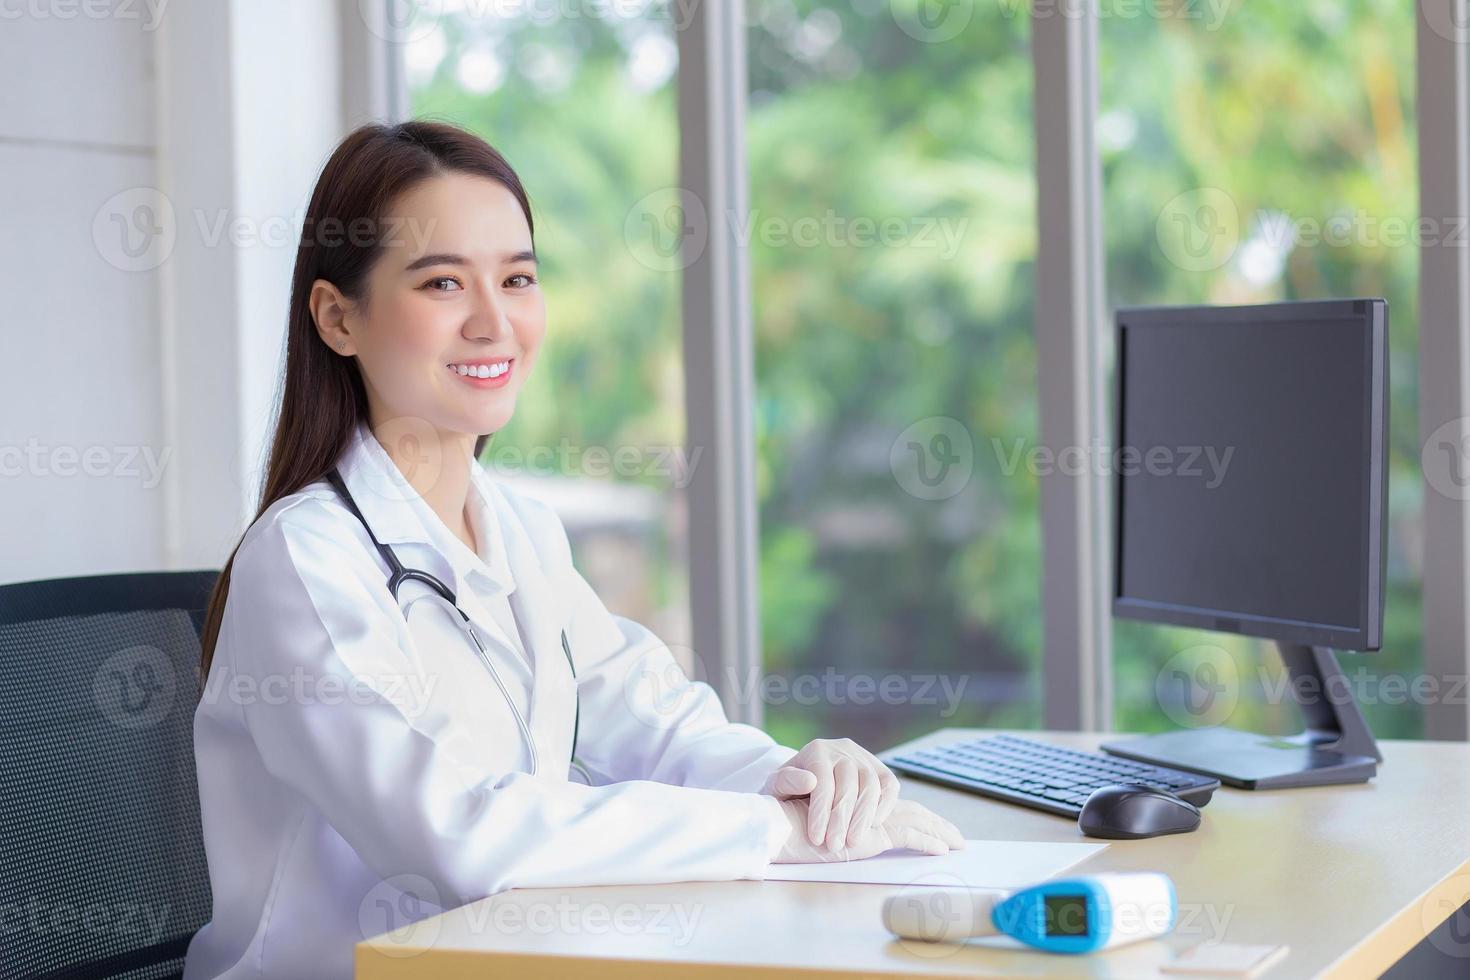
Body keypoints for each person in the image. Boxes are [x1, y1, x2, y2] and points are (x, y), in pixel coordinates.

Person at [183, 121, 963, 980]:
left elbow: (653, 721)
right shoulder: (306, 561)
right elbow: (453, 837)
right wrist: (766, 835)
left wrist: (799, 785)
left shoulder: (518, 527)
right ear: (338, 318)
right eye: (443, 282)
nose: (495, 321)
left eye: (517, 278)